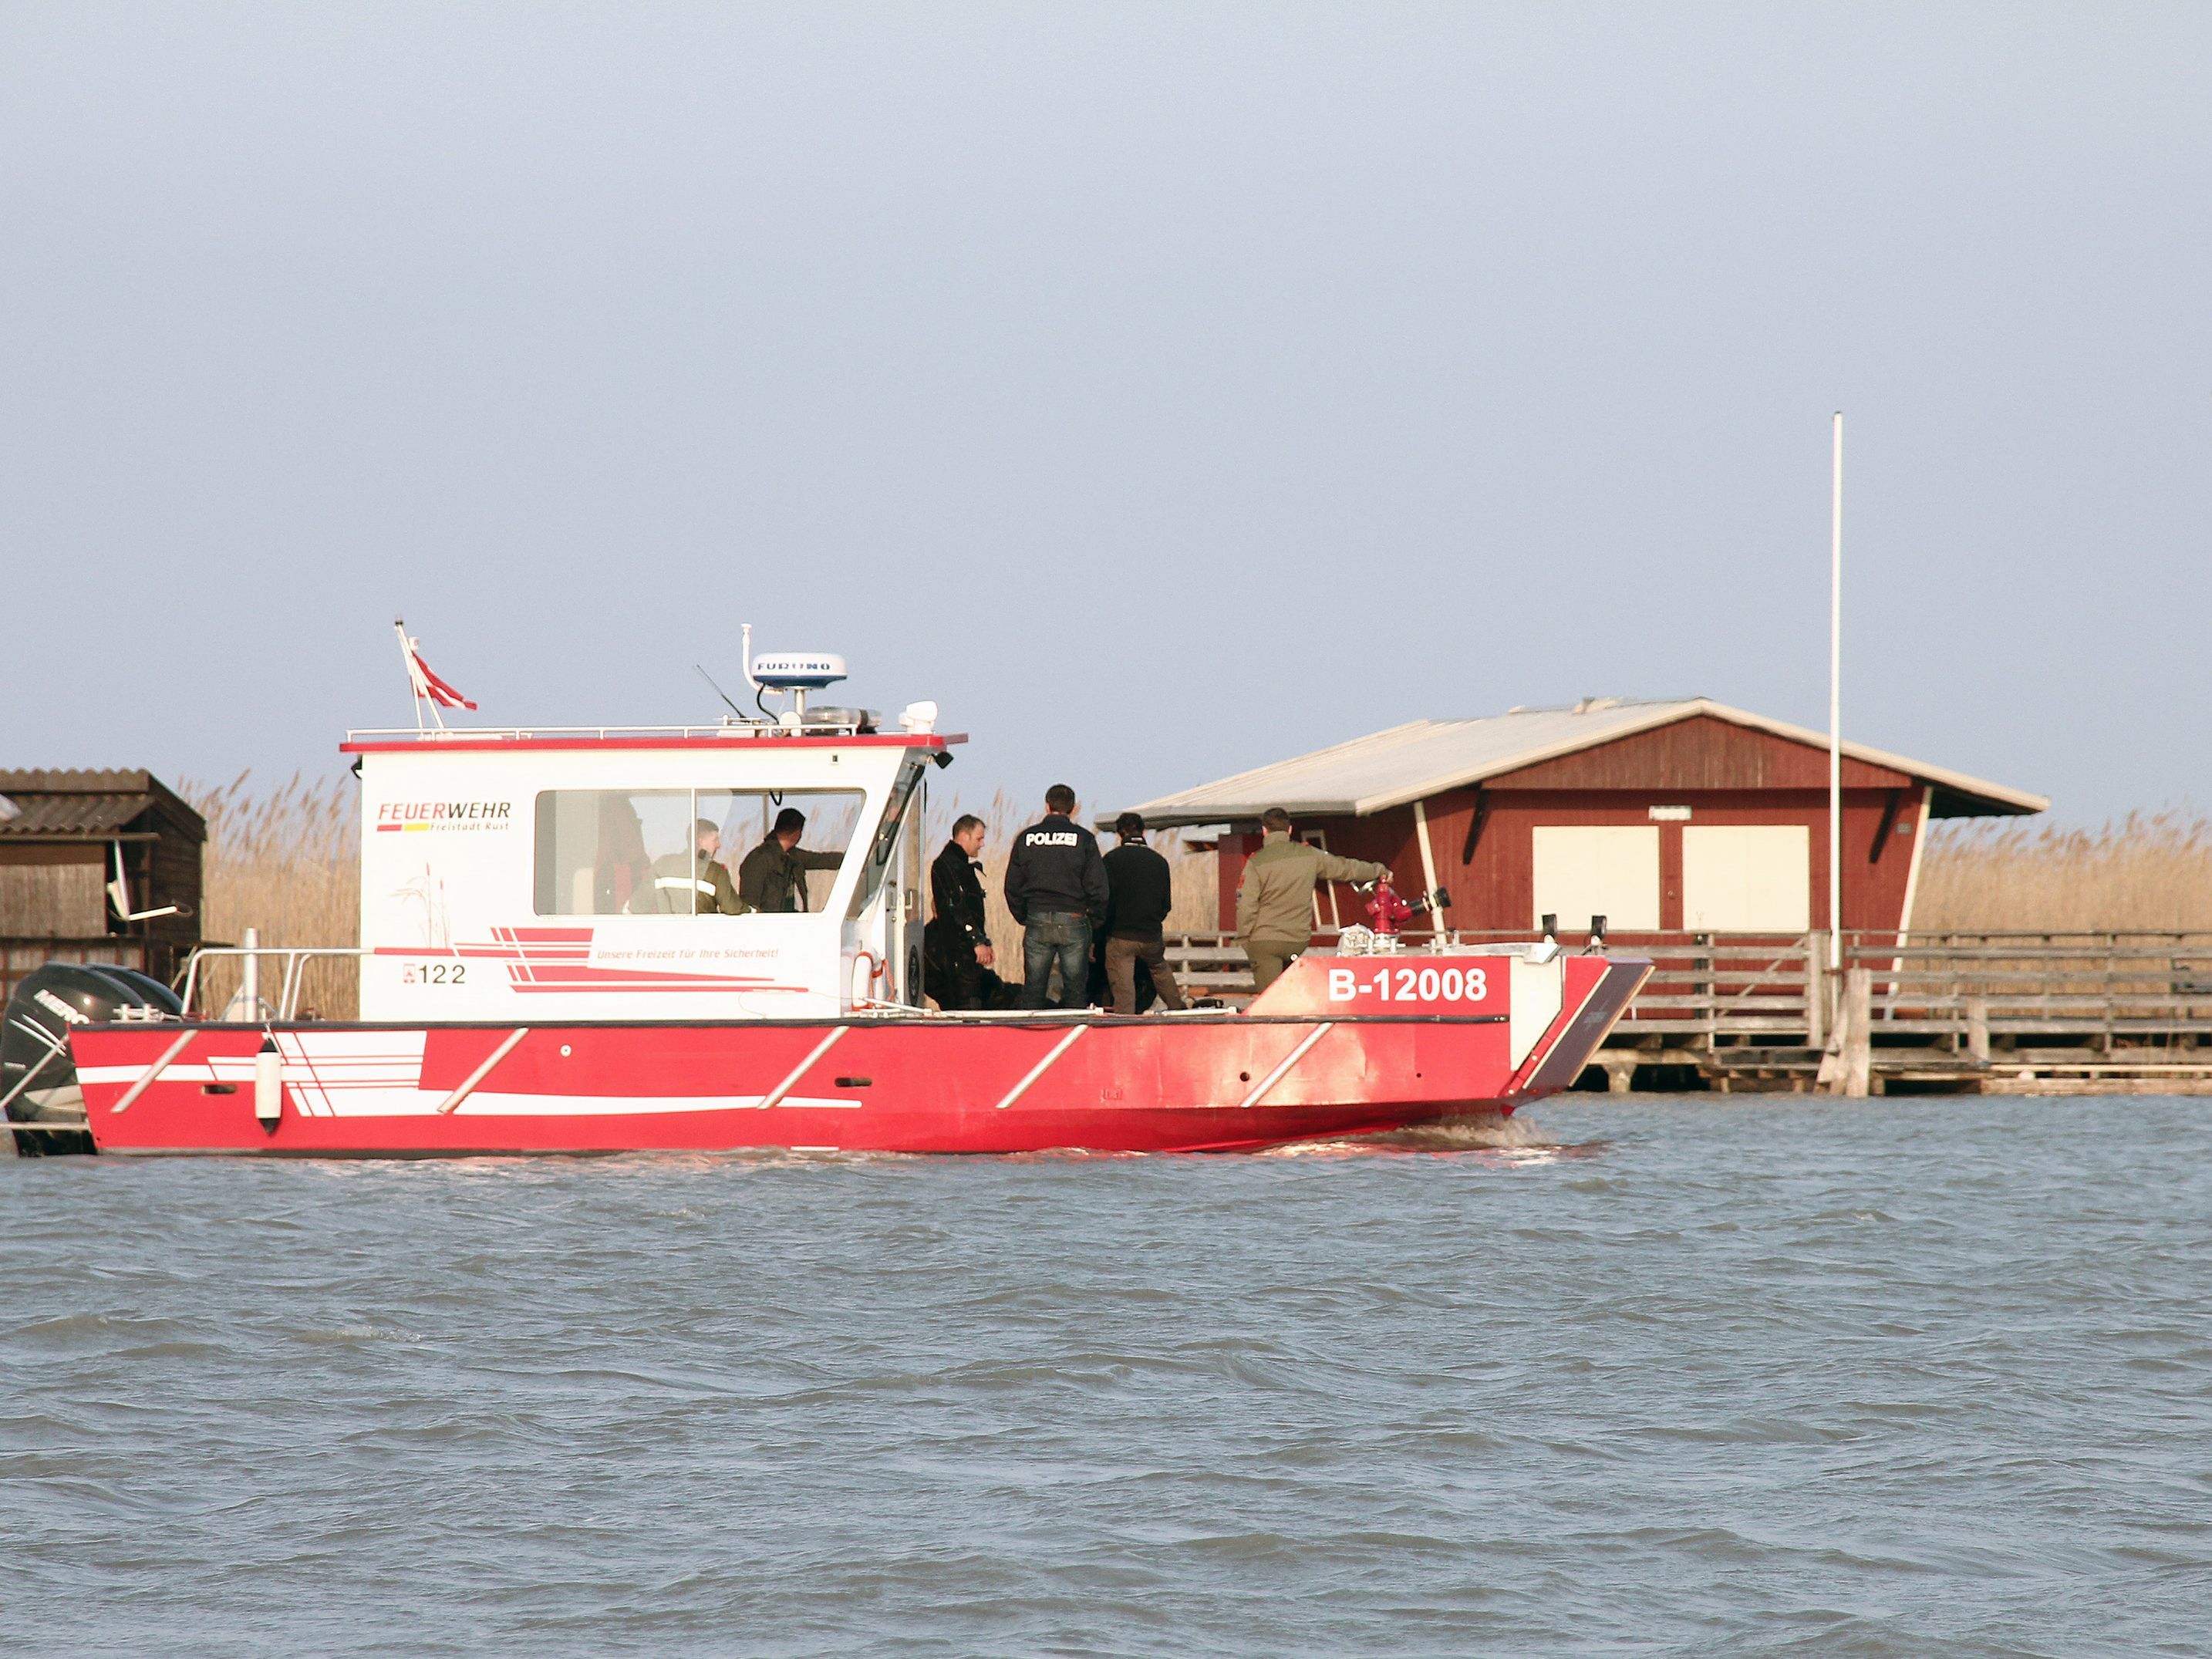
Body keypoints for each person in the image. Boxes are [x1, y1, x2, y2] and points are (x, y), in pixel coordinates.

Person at [1236, 807, 1390, 992]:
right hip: (1298, 939)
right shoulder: (1310, 855)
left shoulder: (1256, 862)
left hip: (1265, 942)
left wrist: (1245, 939)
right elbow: (1346, 868)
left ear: (1264, 830)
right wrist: (1379, 870)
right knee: (1290, 995)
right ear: (1289, 830)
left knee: (1270, 1000)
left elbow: (1246, 905)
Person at [1003, 784, 1108, 1010]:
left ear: (1047, 806)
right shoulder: (1084, 839)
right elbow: (1098, 889)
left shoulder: (1027, 838)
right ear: (1073, 809)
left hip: (1037, 918)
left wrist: (1025, 916)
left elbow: (1012, 886)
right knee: (1075, 989)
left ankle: (1032, 1038)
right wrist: (1094, 923)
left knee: (1033, 989)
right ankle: (1072, 1036)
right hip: (1074, 919)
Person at [1101, 811, 1185, 1017]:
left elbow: (1105, 901)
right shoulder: (1160, 861)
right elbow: (1166, 904)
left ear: (1119, 834)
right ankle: (1179, 1010)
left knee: (1123, 985)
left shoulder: (1111, 860)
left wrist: (1104, 929)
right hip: (1151, 934)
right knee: (1159, 970)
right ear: (1144, 831)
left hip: (1121, 935)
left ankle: (1125, 1021)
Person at [926, 814, 994, 1010]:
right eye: (979, 839)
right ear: (964, 836)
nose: (982, 845)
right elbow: (957, 907)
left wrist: (983, 940)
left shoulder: (959, 864)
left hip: (964, 951)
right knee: (967, 1006)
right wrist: (977, 940)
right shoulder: (949, 864)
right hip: (959, 953)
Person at [737, 806, 845, 912]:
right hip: (770, 926)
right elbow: (749, 904)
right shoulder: (759, 859)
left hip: (791, 923)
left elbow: (825, 860)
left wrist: (855, 860)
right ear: (797, 832)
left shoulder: (793, 856)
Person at [642, 819, 750, 915]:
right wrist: (753, 911)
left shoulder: (662, 865)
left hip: (666, 935)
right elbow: (732, 908)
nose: (719, 845)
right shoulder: (715, 871)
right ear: (700, 842)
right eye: (715, 840)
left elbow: (637, 905)